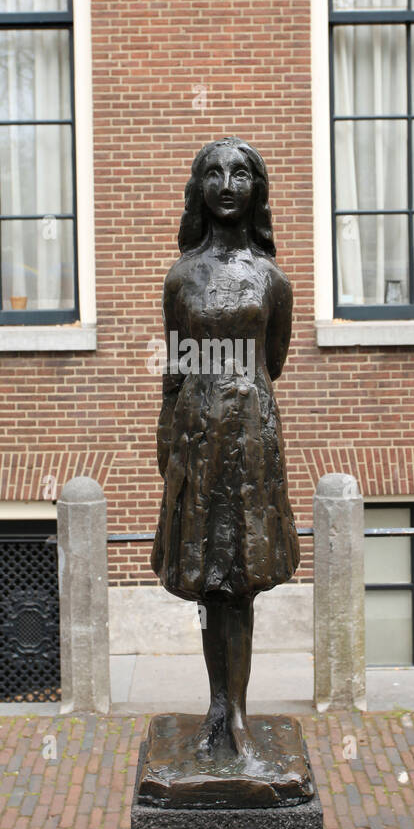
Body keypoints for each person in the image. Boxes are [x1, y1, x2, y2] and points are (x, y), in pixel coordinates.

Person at [151, 137, 300, 762]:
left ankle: (236, 711)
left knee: (241, 580)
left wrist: (238, 402)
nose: (228, 183)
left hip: (250, 438)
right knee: (210, 581)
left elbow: (273, 361)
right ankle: (216, 706)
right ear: (200, 190)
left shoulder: (271, 279)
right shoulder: (181, 279)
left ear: (257, 189)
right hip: (196, 438)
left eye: (241, 173)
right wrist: (168, 443)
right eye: (214, 173)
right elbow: (176, 370)